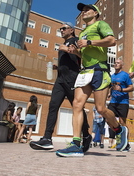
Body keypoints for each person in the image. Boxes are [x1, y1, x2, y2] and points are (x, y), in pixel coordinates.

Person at [56, 3, 128, 157]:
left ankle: (119, 129)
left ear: (96, 13)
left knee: (101, 109)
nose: (84, 12)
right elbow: (84, 56)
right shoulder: (82, 33)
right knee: (77, 104)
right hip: (85, 72)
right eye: (82, 10)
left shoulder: (101, 24)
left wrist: (90, 42)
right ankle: (76, 144)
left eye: (87, 9)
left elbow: (112, 41)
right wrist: (76, 52)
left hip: (99, 70)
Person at [29, 22, 91, 152]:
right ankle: (47, 138)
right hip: (60, 80)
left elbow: (80, 58)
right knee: (53, 106)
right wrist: (58, 67)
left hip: (72, 79)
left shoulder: (75, 40)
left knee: (77, 108)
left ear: (72, 30)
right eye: (60, 29)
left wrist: (68, 50)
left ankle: (85, 134)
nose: (61, 30)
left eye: (64, 28)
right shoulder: (63, 45)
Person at [108, 59, 134, 151]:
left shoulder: (125, 75)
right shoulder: (112, 76)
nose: (116, 64)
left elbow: (131, 88)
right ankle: (119, 135)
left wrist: (122, 90)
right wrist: (110, 93)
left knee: (123, 124)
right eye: (115, 63)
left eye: (118, 63)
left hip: (123, 102)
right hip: (113, 101)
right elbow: (112, 86)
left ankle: (126, 144)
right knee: (108, 118)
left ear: (122, 65)